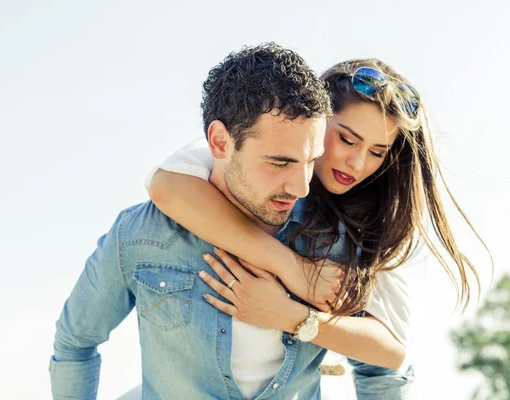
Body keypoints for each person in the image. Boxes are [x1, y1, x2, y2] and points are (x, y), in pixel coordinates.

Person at [145, 58, 489, 398]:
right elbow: (167, 187)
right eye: (348, 140)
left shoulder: (370, 221)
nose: (357, 164)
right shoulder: (259, 147)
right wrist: (291, 267)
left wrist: (293, 316)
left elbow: (391, 352)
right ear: (319, 119)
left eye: (377, 152)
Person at [50, 42, 338, 400]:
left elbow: (383, 365)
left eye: (311, 161)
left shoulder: (333, 235)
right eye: (280, 162)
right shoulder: (139, 235)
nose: (301, 186)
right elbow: (75, 343)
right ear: (219, 142)